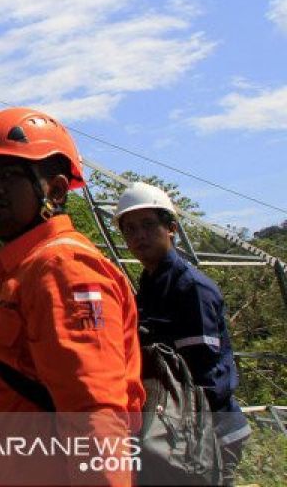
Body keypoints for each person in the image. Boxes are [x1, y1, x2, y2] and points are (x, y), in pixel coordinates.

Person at [0, 107, 144, 487]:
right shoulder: (26, 271)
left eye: (9, 175)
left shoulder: (63, 268)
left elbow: (95, 414)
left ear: (57, 189)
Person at [115, 181, 251, 486]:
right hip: (174, 433)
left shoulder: (190, 288)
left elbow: (204, 377)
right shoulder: (150, 285)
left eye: (148, 225)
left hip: (209, 433)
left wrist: (172, 432)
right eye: (130, 229)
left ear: (171, 228)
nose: (139, 236)